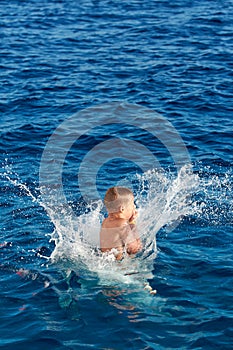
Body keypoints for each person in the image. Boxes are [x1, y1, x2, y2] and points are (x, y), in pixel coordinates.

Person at [100, 186, 142, 260]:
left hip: (105, 262)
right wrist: (132, 223)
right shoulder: (122, 224)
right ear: (122, 209)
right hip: (119, 267)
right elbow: (134, 249)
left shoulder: (105, 221)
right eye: (132, 205)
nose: (134, 207)